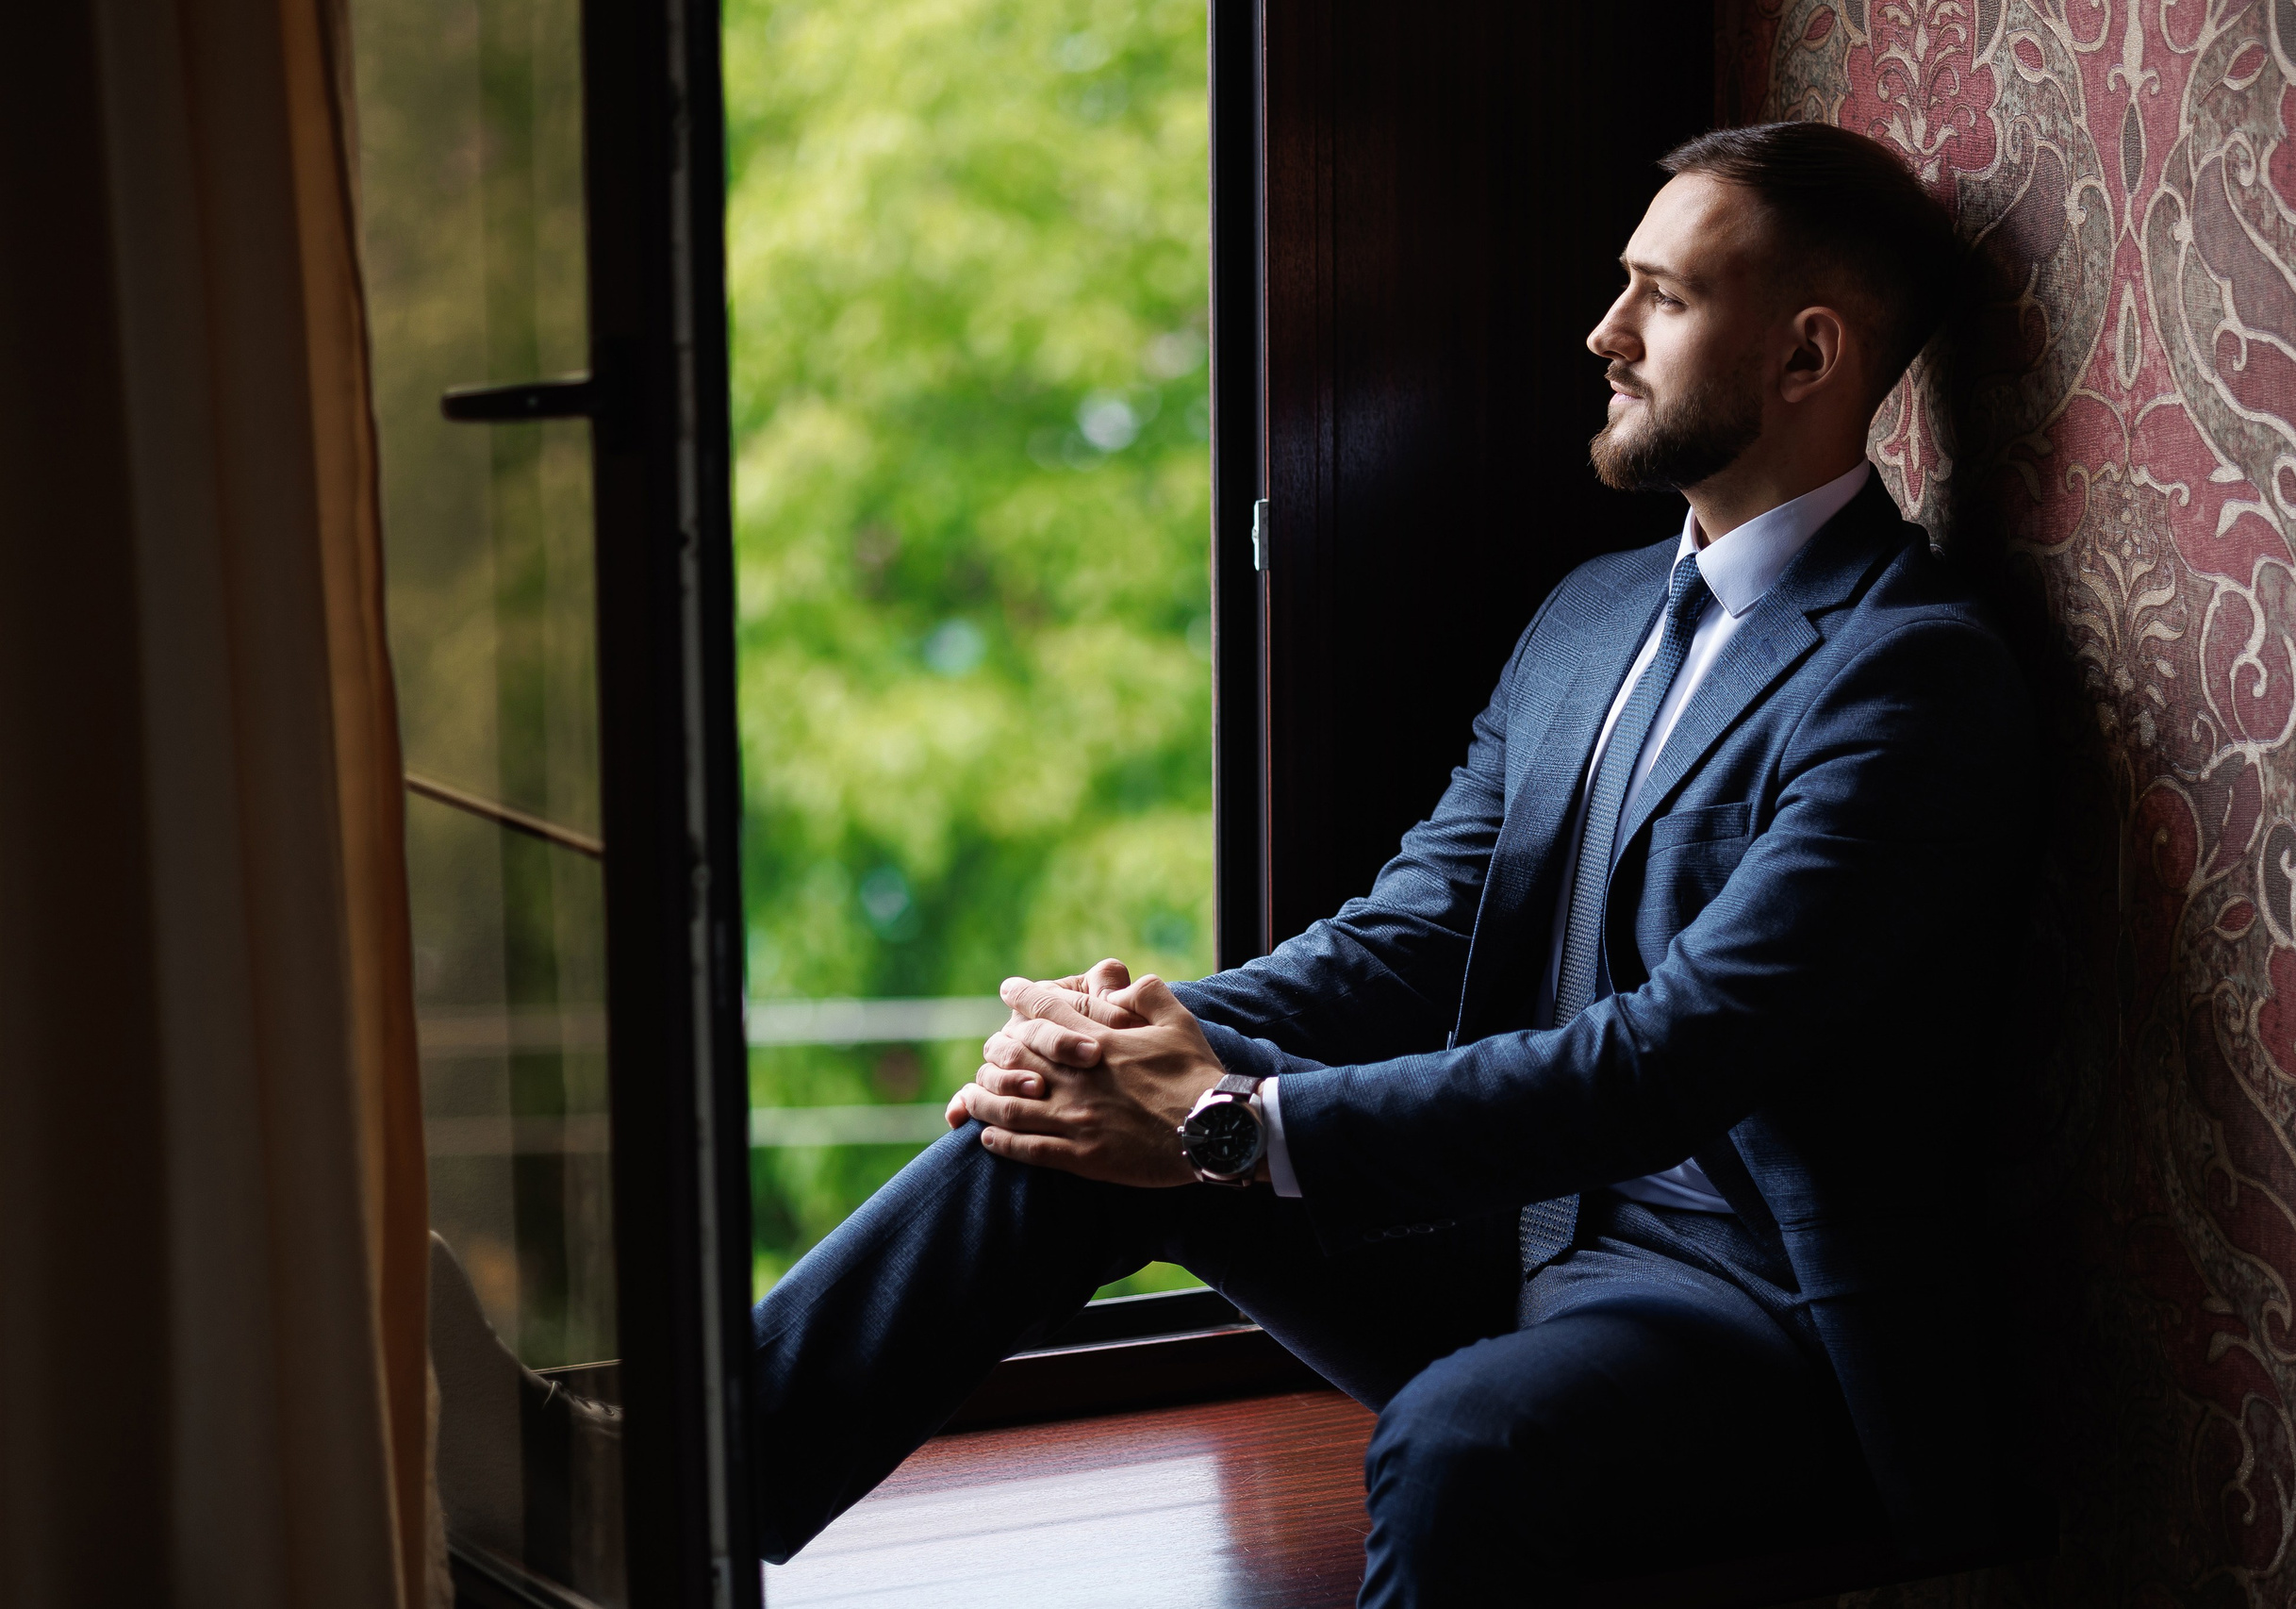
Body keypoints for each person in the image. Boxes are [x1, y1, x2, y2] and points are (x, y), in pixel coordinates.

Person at [752, 120, 2036, 1604]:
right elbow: (1411, 932)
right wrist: (1128, 1039)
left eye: (1663, 299)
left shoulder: (1915, 678)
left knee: (1458, 1439)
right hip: (1525, 1245)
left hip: (1758, 1327)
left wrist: (1236, 1119)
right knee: (1070, 1120)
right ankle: (672, 1498)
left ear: (1808, 359)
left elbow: (1667, 1063)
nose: (1603, 333)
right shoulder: (1594, 616)